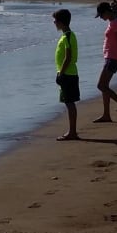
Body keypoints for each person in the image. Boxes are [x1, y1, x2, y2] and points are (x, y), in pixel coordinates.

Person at [52, 8, 81, 141]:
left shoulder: (68, 35)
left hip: (68, 74)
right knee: (69, 102)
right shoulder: (66, 35)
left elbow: (68, 57)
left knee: (69, 103)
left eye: (55, 21)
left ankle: (72, 132)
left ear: (61, 22)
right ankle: (72, 131)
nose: (54, 23)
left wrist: (61, 73)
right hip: (68, 73)